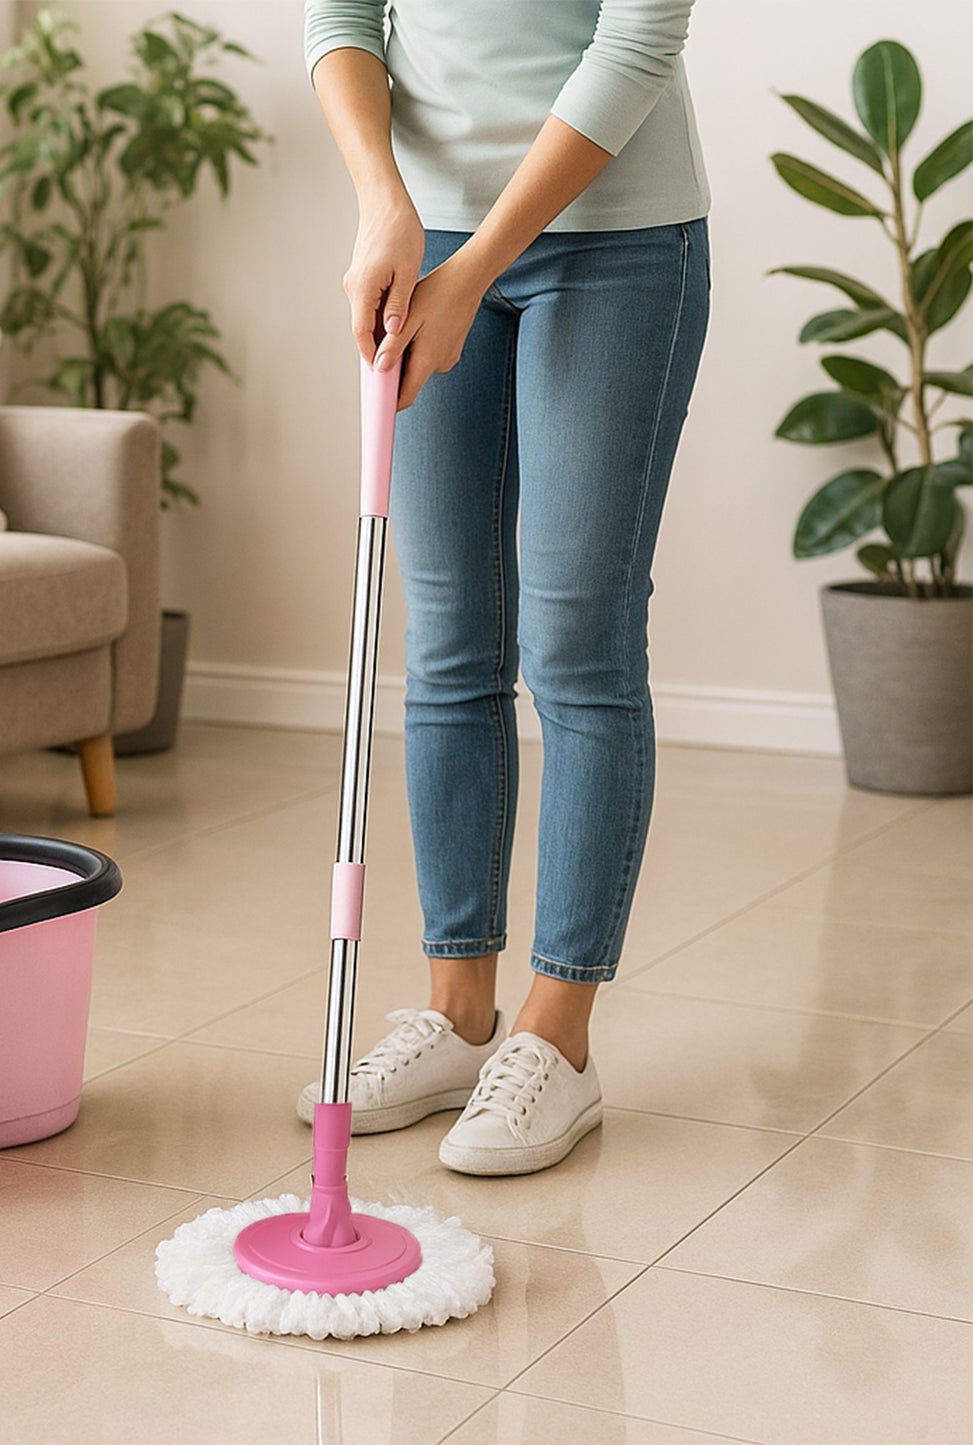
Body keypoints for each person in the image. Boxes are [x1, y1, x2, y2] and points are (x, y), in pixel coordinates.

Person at [296, 1, 712, 1175]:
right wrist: (385, 202)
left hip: (616, 243)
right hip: (423, 235)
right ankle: (459, 1012)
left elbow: (635, 43)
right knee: (449, 640)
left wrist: (475, 264)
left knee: (576, 640)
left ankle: (555, 1035)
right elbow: (339, 17)